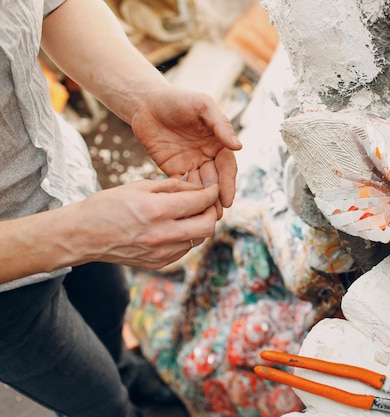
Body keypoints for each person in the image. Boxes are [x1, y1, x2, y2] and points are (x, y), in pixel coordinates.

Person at [0, 0, 242, 416]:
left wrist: (144, 98)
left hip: (65, 182)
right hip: (7, 295)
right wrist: (79, 234)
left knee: (109, 307)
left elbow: (51, 5)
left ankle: (128, 373)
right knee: (97, 400)